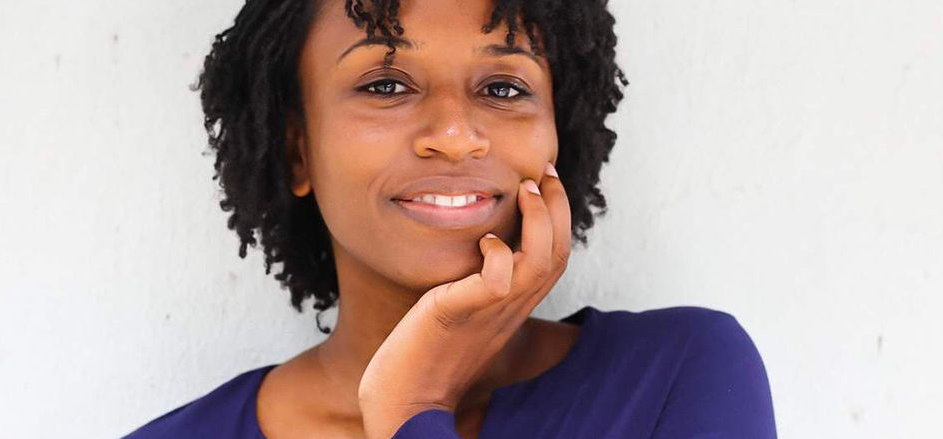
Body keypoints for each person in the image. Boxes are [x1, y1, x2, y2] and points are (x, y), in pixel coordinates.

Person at [123, 0, 776, 437]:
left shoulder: (679, 375)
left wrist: (410, 409)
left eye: (503, 88)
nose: (456, 136)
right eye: (385, 85)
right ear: (298, 149)